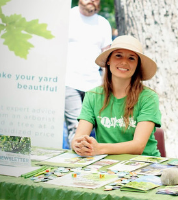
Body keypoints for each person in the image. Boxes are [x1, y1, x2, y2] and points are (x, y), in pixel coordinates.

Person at [71, 35, 161, 157]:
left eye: (131, 58)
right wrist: (79, 146)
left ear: (137, 65)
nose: (124, 62)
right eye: (118, 55)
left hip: (144, 166)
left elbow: (138, 146)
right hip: (105, 166)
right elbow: (78, 138)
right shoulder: (93, 96)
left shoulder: (148, 97)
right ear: (108, 60)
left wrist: (99, 148)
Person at [64, 0, 112, 148]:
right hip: (69, 82)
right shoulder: (67, 16)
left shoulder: (103, 23)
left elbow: (107, 57)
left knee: (98, 127)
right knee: (76, 127)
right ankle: (76, 162)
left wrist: (107, 84)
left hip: (94, 85)